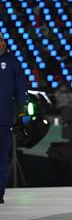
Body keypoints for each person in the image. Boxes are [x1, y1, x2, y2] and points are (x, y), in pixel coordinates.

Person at [0, 32, 28, 204]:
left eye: (0, 40)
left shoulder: (12, 62)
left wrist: (20, 116)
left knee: (2, 158)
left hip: (4, 119)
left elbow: (21, 91)